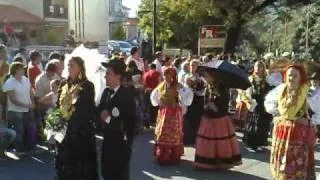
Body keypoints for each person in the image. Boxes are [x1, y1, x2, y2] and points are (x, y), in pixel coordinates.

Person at [265, 64, 316, 179]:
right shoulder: (281, 89)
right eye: (289, 75)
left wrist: (308, 120)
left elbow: (317, 109)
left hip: (299, 132)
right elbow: (269, 103)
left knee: (297, 162)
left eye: (295, 75)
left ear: (301, 77)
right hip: (282, 130)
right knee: (282, 160)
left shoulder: (307, 92)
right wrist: (277, 114)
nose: (291, 78)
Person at [55, 57, 98, 180]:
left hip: (79, 132)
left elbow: (86, 109)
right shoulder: (63, 84)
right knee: (63, 165)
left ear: (80, 68)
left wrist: (72, 123)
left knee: (80, 167)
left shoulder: (87, 86)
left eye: (72, 65)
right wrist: (54, 124)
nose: (68, 67)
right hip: (63, 131)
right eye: (68, 65)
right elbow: (57, 105)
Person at [194, 70, 242, 170]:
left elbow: (224, 104)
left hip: (220, 118)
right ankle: (208, 161)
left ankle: (220, 161)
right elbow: (204, 102)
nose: (205, 79)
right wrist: (207, 105)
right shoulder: (207, 87)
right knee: (207, 141)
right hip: (208, 117)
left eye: (207, 76)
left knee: (221, 141)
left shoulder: (223, 88)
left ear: (213, 77)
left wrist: (214, 106)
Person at [99, 60, 137, 180]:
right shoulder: (106, 92)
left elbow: (129, 124)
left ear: (118, 76)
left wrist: (109, 119)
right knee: (106, 173)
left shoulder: (126, 96)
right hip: (107, 143)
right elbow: (99, 112)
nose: (105, 76)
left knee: (119, 175)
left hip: (121, 146)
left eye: (108, 73)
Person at [150, 67, 193, 165]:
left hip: (174, 113)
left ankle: (173, 156)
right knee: (162, 133)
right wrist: (159, 102)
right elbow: (154, 98)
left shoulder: (179, 86)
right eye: (165, 75)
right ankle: (162, 156)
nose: (166, 78)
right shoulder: (161, 86)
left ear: (173, 76)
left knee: (174, 134)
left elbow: (188, 99)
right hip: (163, 113)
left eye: (169, 76)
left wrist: (180, 99)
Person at [3, 62, 35, 153]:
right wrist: (27, 105)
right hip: (15, 111)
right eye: (21, 68)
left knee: (26, 129)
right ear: (16, 70)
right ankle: (18, 149)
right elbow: (12, 100)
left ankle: (25, 148)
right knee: (19, 130)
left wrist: (32, 103)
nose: (23, 70)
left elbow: (30, 92)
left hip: (26, 109)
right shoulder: (9, 82)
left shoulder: (25, 79)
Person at [241, 61, 273, 151]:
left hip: (263, 104)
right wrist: (247, 99)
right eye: (256, 66)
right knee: (252, 123)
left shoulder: (267, 79)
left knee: (262, 124)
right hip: (254, 103)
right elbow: (244, 90)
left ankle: (259, 143)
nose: (258, 68)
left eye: (260, 67)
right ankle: (251, 143)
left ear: (263, 68)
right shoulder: (251, 79)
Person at [184, 59, 205, 145]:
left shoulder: (201, 78)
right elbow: (184, 89)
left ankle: (197, 138)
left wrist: (194, 88)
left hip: (198, 100)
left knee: (197, 119)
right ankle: (189, 138)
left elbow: (202, 91)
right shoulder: (187, 76)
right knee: (189, 119)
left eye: (194, 65)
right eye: (191, 65)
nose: (192, 67)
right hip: (189, 100)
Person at [0, 45, 9, 126]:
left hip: (4, 91)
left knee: (4, 110)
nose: (6, 54)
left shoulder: (6, 64)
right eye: (4, 52)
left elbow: (5, 76)